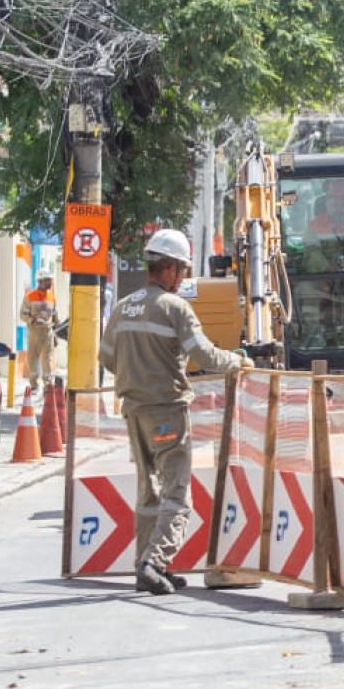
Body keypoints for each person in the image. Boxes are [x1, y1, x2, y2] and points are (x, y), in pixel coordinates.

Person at [99, 228, 245, 595]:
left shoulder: (122, 307)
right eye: (181, 271)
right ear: (169, 269)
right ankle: (155, 561)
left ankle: (144, 566)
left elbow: (106, 357)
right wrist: (238, 361)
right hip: (166, 412)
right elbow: (205, 355)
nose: (182, 279)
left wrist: (137, 371)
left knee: (148, 492)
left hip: (133, 411)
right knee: (177, 495)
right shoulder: (174, 308)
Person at [19, 273, 59, 398]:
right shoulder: (30, 297)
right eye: (47, 280)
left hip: (47, 333)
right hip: (34, 332)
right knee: (32, 359)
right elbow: (23, 314)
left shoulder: (52, 297)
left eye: (50, 280)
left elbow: (55, 317)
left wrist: (56, 333)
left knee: (47, 359)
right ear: (40, 282)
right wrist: (32, 319)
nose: (50, 283)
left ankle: (48, 385)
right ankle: (34, 385)